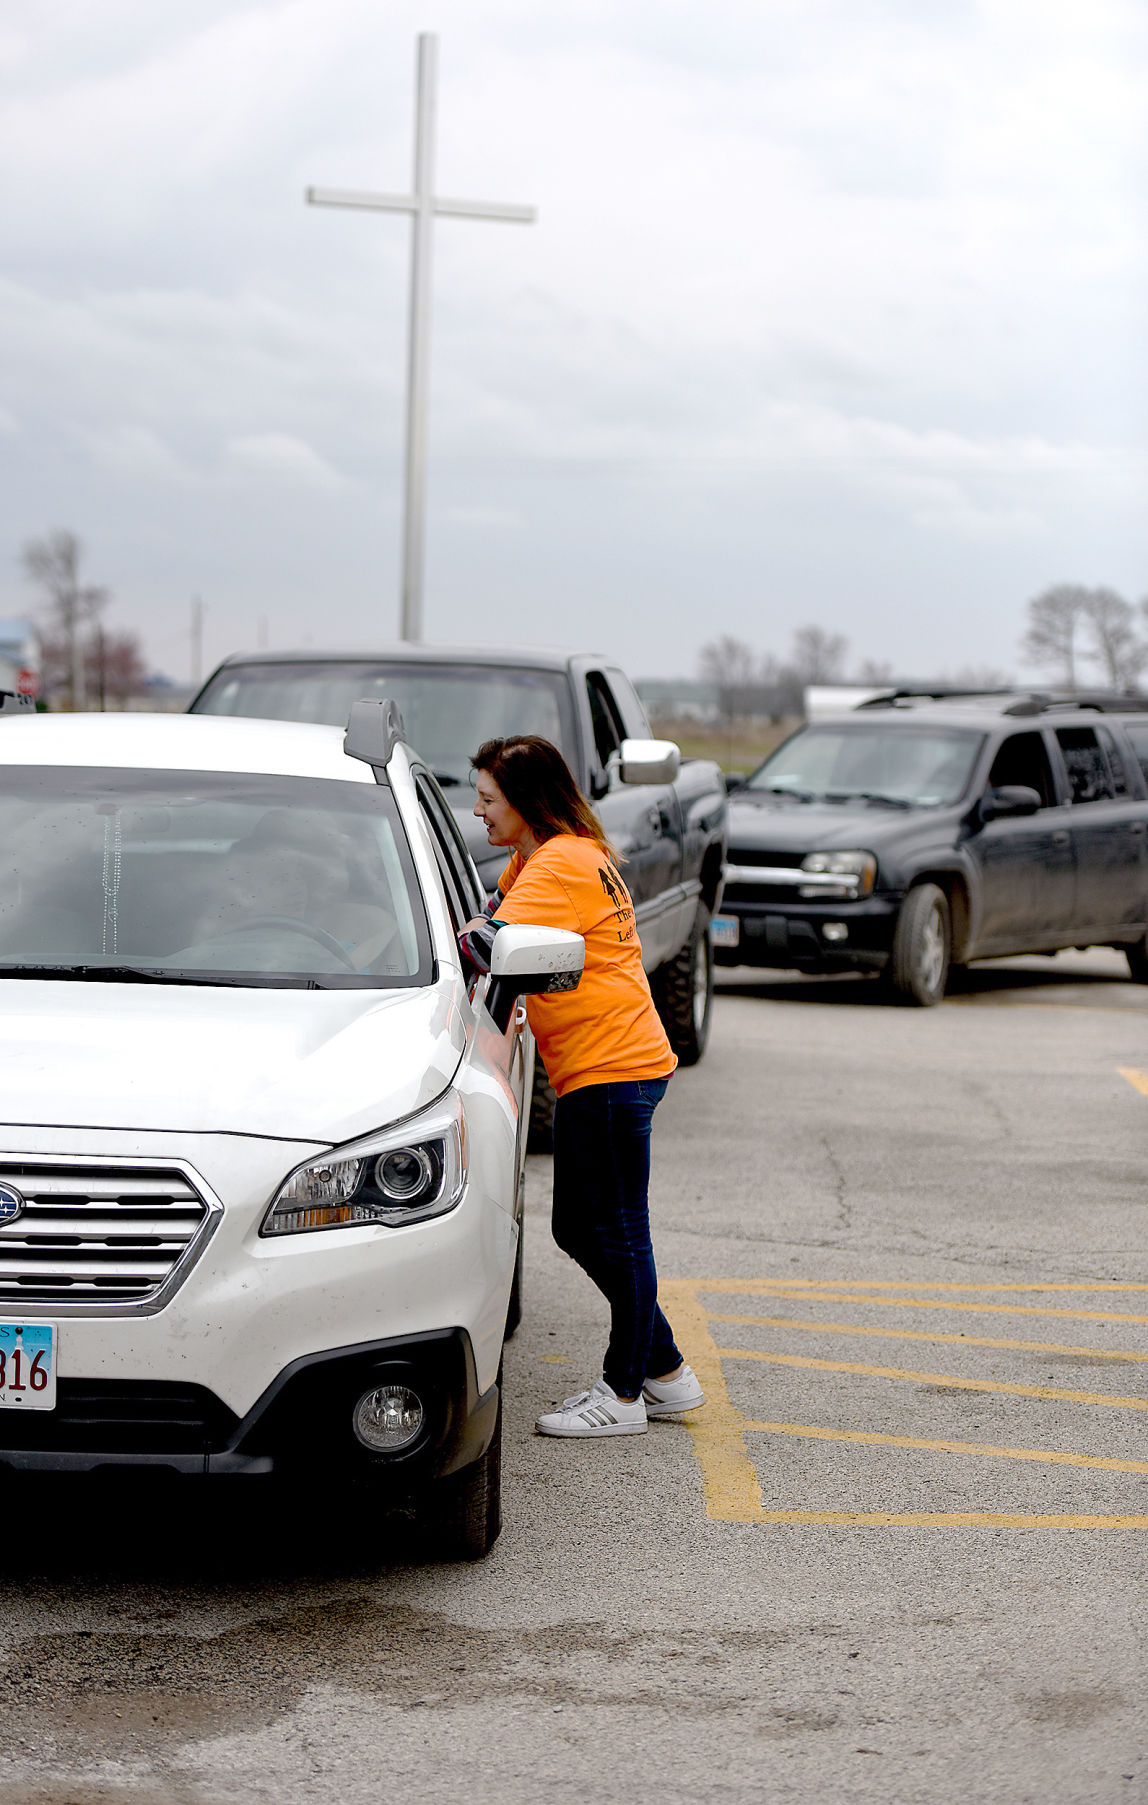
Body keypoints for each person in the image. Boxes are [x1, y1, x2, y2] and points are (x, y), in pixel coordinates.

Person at [458, 735, 705, 1438]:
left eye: (487, 799)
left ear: (526, 802)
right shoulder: (547, 854)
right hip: (605, 1066)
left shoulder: (561, 862)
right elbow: (491, 905)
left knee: (621, 1234)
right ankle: (665, 1372)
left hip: (611, 1068)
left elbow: (483, 944)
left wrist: (468, 928)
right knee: (581, 1227)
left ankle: (625, 1392)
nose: (477, 809)